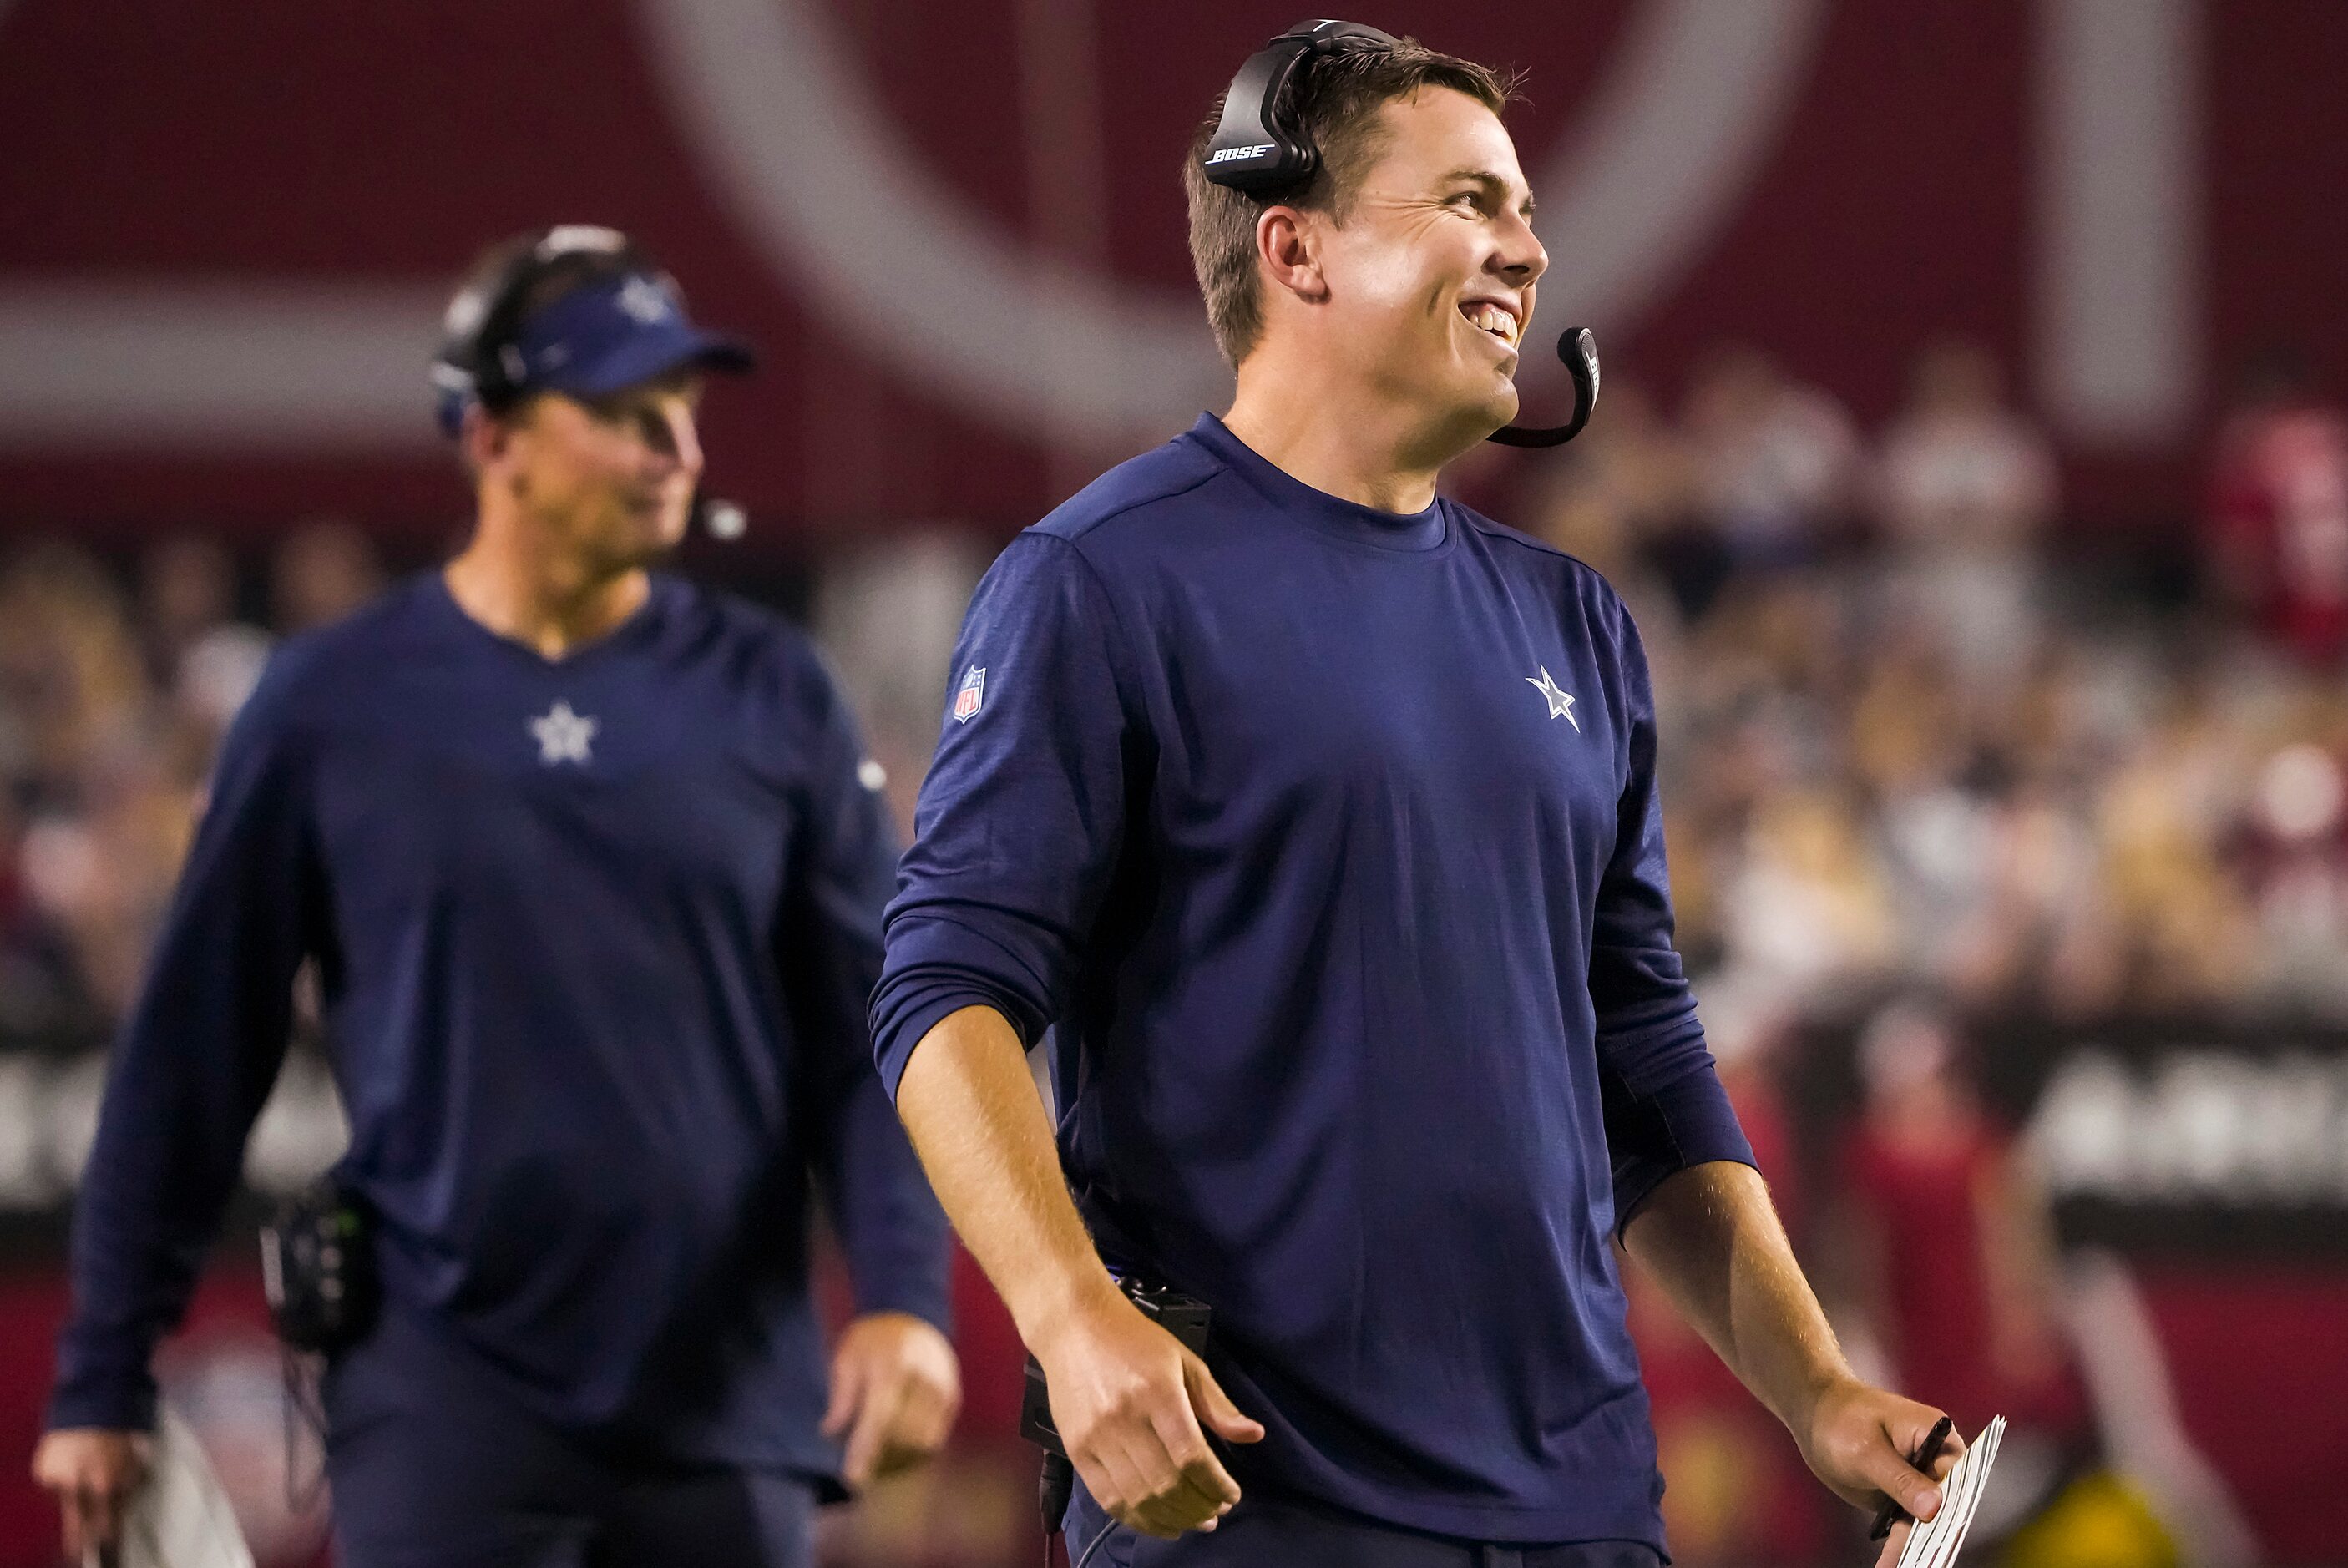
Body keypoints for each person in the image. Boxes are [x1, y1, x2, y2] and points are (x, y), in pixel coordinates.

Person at [868, 28, 1956, 1568]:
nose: (1527, 245)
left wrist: (1816, 1388)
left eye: (1518, 205)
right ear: (1295, 248)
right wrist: (1072, 1314)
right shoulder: (1100, 585)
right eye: (1465, 200)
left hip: (1579, 1507)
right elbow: (941, 989)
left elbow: (1644, 1071)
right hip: (1256, 1503)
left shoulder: (1575, 624)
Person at [32, 225, 960, 1568]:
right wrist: (100, 1374)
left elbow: (876, 1038)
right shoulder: (332, 707)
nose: (681, 454)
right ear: (494, 434)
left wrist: (906, 1296)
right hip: (441, 1410)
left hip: (727, 1407)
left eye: (686, 416)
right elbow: (190, 1061)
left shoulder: (777, 697)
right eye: (629, 415)